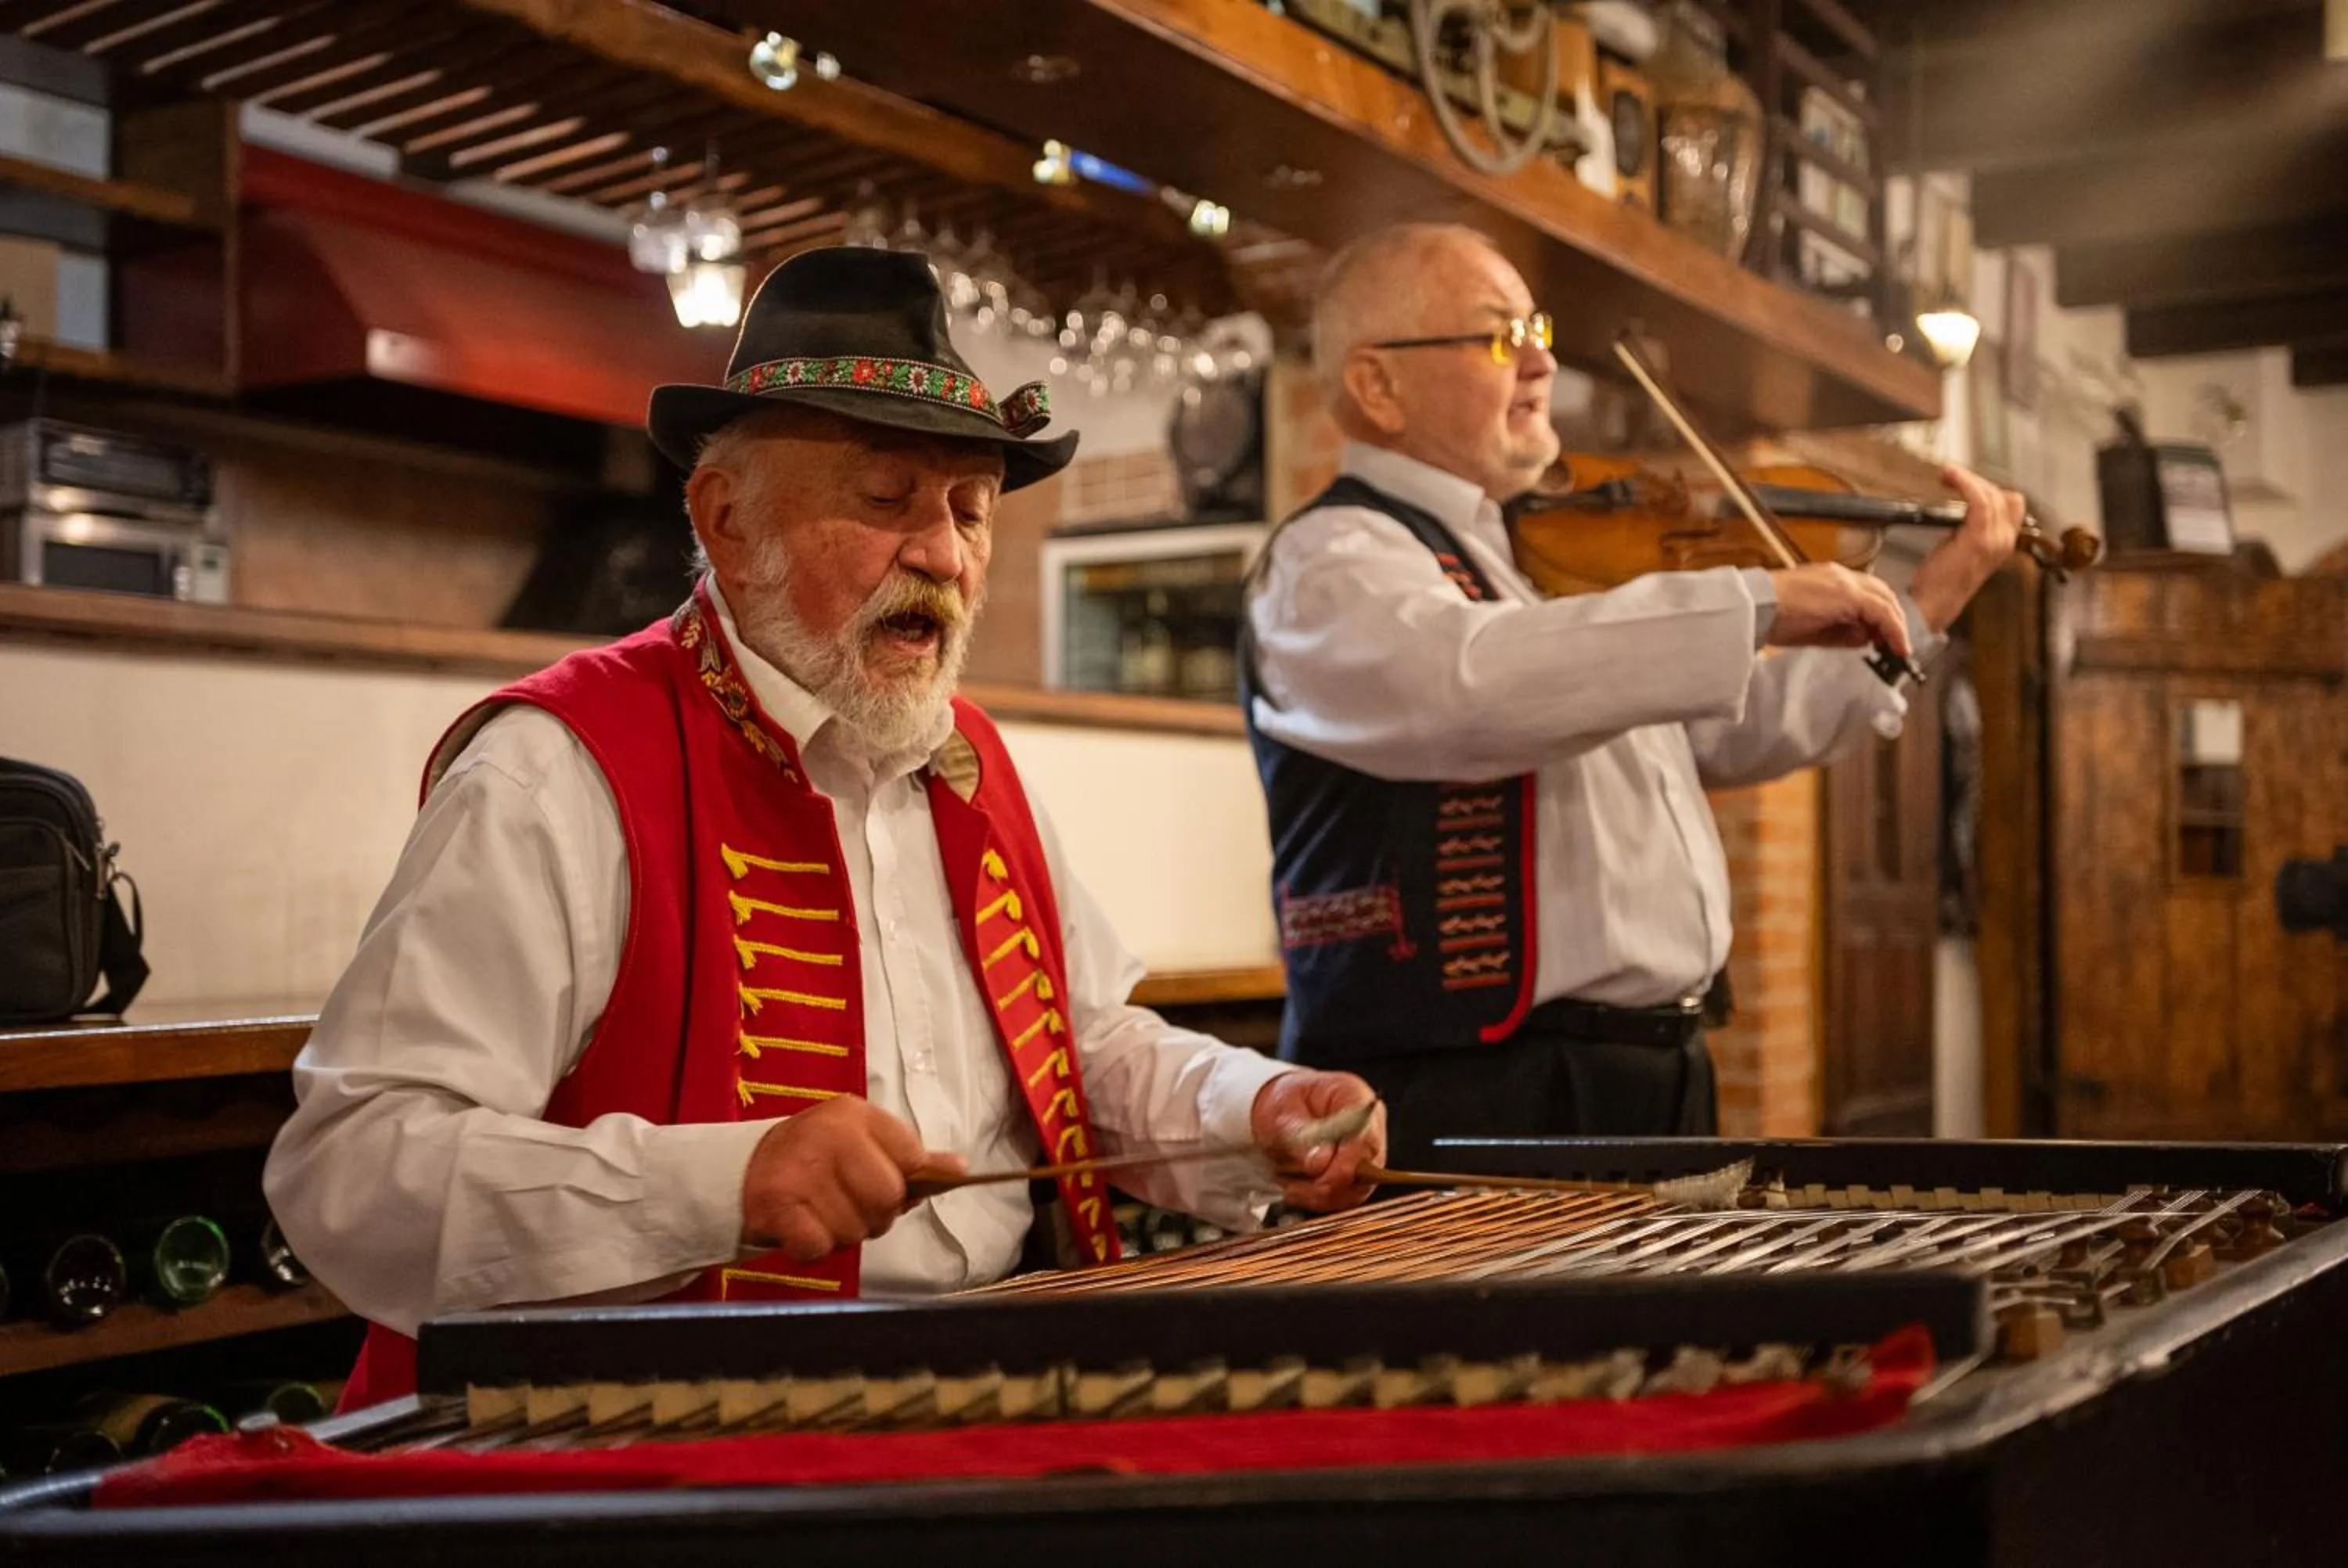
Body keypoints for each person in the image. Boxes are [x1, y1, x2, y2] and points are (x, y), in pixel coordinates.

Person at [265, 247, 1385, 1409]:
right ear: (729, 522)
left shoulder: (971, 760)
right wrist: (726, 1183)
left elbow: (1080, 1048)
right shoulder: (557, 770)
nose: (945, 556)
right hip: (641, 1438)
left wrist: (1247, 1108)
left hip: (975, 1392)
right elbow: (355, 1174)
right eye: (888, 500)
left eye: (968, 509)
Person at [1242, 222, 2023, 1157]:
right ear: (1378, 384)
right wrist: (1757, 600)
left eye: (1539, 330)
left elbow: (1732, 736)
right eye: (1500, 338)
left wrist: (1929, 601)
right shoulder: (1329, 559)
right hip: (1480, 1089)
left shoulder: (1533, 571)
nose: (1540, 363)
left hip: (1656, 1074)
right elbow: (1474, 685)